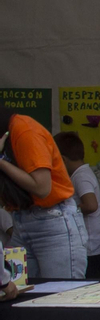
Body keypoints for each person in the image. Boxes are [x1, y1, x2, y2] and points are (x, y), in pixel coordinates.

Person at [0, 105, 87, 280]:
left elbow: (42, 188)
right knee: (17, 295)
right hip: (21, 220)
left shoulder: (24, 130)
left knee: (60, 296)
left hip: (52, 221)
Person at [52, 133, 100, 279]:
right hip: (94, 246)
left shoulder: (81, 176)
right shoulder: (82, 173)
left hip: (92, 247)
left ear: (63, 160)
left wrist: (67, 210)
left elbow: (91, 205)